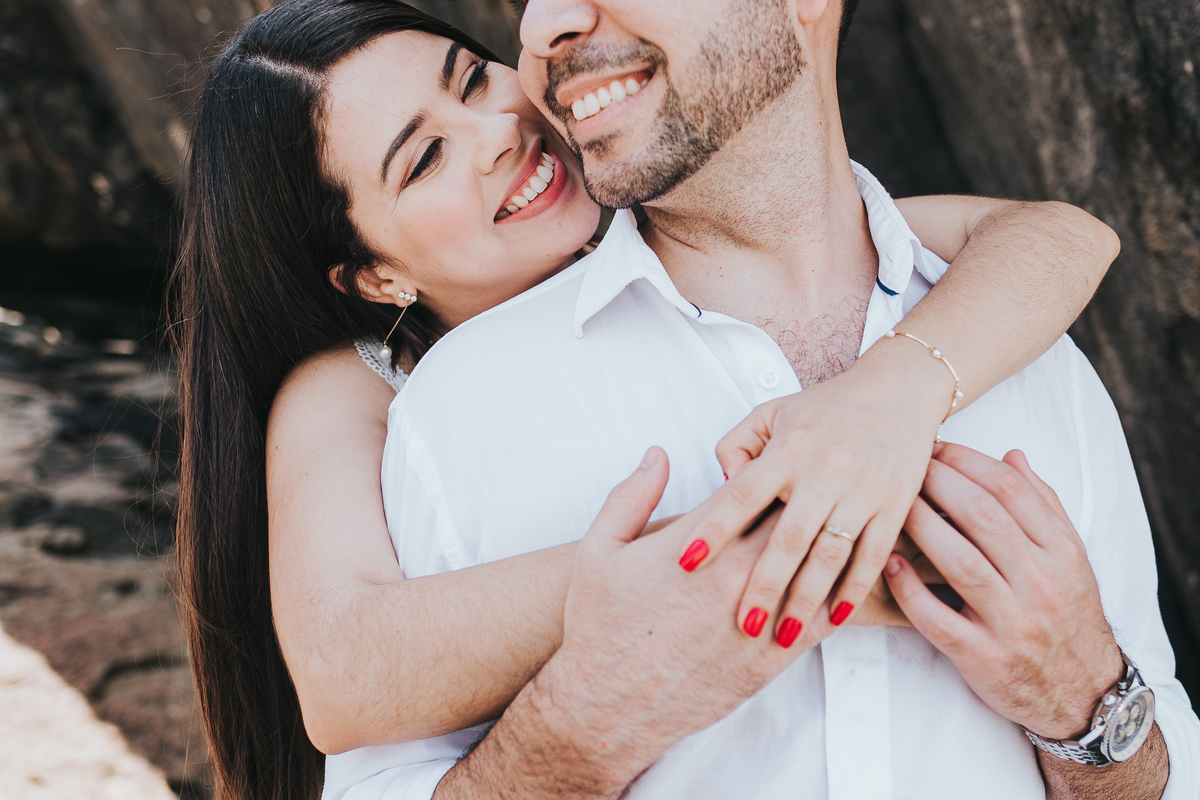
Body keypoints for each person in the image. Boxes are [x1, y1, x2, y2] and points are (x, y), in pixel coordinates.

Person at [162, 3, 1181, 800]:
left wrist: (892, 392)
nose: (497, 130)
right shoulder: (369, 399)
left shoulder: (913, 292)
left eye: (474, 78)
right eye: (423, 157)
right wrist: (805, 549)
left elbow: (1057, 236)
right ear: (376, 278)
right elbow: (343, 672)